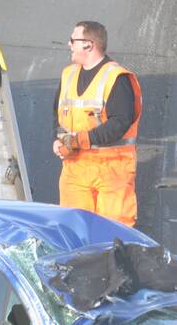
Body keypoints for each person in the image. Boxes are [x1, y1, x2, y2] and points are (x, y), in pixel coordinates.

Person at [53, 21, 142, 227]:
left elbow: (120, 122)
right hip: (75, 166)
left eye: (73, 40)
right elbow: (57, 114)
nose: (69, 44)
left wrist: (83, 139)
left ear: (88, 45)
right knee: (73, 229)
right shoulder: (69, 74)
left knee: (111, 233)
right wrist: (58, 139)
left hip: (111, 168)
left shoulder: (116, 78)